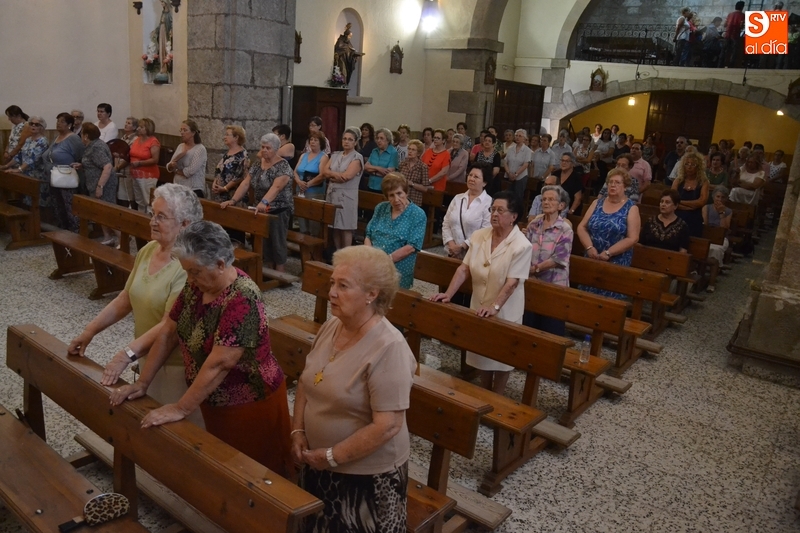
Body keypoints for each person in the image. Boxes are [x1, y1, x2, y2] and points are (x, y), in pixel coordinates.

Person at [109, 220, 293, 476]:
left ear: (220, 264)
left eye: (194, 271)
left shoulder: (242, 298)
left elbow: (220, 363)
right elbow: (168, 332)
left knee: (254, 473)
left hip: (249, 403)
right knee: (223, 466)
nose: (190, 278)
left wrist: (181, 407)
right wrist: (143, 382)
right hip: (214, 399)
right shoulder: (197, 285)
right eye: (187, 271)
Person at [292, 245, 415, 533]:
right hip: (318, 464)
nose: (332, 292)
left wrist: (332, 456)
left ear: (372, 294)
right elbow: (307, 381)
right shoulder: (332, 325)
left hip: (366, 480)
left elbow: (387, 425)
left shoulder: (389, 347)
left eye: (343, 286)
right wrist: (298, 430)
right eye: (333, 283)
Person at [69, 184, 205, 428]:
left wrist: (126, 354)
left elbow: (168, 326)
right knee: (146, 423)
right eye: (153, 214)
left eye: (161, 216)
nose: (153, 221)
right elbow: (126, 298)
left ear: (184, 224)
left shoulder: (188, 266)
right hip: (146, 354)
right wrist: (89, 331)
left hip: (176, 366)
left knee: (176, 434)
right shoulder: (149, 250)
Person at [430, 191, 531, 395]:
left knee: (502, 357)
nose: (494, 214)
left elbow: (512, 283)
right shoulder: (479, 235)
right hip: (479, 304)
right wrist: (448, 294)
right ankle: (485, 391)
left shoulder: (522, 245)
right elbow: (463, 269)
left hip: (505, 311)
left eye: (500, 210)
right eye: (492, 209)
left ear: (514, 216)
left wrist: (494, 307)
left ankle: (498, 395)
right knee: (482, 353)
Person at [222, 133, 294, 272]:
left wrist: (264, 202)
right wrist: (233, 200)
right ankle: (265, 269)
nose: (265, 150)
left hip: (279, 209)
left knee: (277, 242)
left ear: (277, 149)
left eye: (268, 148)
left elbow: (276, 187)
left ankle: (280, 272)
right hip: (259, 208)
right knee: (262, 241)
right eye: (263, 147)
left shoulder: (283, 167)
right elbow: (245, 183)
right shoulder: (257, 164)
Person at [576, 169, 640, 299]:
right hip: (592, 256)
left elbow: (633, 238)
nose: (612, 185)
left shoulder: (631, 208)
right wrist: (589, 247)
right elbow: (581, 227)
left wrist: (609, 252)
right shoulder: (597, 203)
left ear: (625, 186)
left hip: (616, 261)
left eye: (617, 182)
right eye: (610, 182)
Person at [524, 185, 573, 336]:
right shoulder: (534, 225)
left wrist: (534, 269)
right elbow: (524, 248)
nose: (546, 202)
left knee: (550, 329)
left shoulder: (565, 229)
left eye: (551, 199)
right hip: (532, 283)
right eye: (544, 199)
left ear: (561, 205)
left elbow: (558, 259)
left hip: (554, 285)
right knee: (529, 325)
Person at [365, 173, 426, 289]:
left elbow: (412, 246)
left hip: (398, 269)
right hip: (373, 266)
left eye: (399, 193)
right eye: (391, 195)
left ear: (406, 192)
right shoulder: (381, 208)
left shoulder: (417, 214)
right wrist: (370, 257)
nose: (396, 199)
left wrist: (385, 261)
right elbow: (368, 234)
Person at [322, 126, 364, 251]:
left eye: (350, 139)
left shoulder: (357, 157)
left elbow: (347, 176)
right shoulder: (335, 155)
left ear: (355, 142)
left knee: (345, 227)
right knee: (335, 226)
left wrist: (332, 175)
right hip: (333, 194)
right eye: (344, 139)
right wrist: (336, 176)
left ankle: (347, 254)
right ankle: (338, 252)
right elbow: (324, 171)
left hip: (347, 196)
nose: (346, 141)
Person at [76, 123, 118, 245]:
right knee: (101, 212)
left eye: (82, 134)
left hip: (103, 185)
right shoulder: (92, 145)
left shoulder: (96, 147)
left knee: (107, 213)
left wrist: (100, 186)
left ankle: (122, 238)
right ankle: (107, 237)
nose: (80, 136)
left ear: (86, 136)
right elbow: (94, 163)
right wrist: (83, 165)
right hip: (95, 184)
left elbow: (107, 166)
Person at [42, 112, 85, 232]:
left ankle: (75, 230)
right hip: (54, 177)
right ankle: (63, 228)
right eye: (57, 121)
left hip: (66, 177)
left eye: (62, 121)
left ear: (70, 124)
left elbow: (82, 156)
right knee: (58, 205)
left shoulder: (73, 138)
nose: (58, 124)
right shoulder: (57, 137)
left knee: (69, 205)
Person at [442, 163, 492, 260]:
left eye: (476, 177)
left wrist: (462, 246)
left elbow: (485, 231)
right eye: (470, 175)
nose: (471, 179)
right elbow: (446, 223)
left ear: (484, 182)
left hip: (473, 256)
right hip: (451, 253)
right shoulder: (458, 198)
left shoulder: (489, 203)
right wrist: (451, 244)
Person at [294, 131, 330, 234]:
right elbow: (295, 171)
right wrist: (298, 181)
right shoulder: (303, 155)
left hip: (314, 191)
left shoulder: (323, 157)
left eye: (316, 140)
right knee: (301, 217)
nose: (313, 142)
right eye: (311, 140)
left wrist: (308, 184)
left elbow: (322, 175)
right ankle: (303, 237)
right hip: (300, 189)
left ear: (321, 143)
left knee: (313, 219)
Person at [702, 186, 733, 292]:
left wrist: (721, 214)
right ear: (713, 197)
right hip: (707, 235)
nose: (719, 199)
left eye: (722, 197)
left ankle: (711, 282)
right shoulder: (706, 208)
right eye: (718, 196)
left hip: (721, 237)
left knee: (716, 250)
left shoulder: (728, 211)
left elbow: (724, 228)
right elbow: (705, 224)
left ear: (726, 199)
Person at [672, 151, 709, 237]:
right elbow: (673, 200)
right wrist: (691, 207)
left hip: (694, 218)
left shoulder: (703, 182)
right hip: (677, 216)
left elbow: (701, 202)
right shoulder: (678, 181)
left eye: (693, 164)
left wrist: (680, 202)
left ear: (698, 167)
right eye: (687, 164)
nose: (689, 167)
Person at [167, 120, 208, 197]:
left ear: (193, 133)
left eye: (185, 130)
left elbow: (190, 171)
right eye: (181, 130)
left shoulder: (200, 149)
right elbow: (169, 165)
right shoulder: (181, 146)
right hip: (177, 187)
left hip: (193, 189)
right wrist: (172, 165)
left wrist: (176, 170)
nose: (182, 133)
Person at [129, 117, 161, 214]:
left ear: (148, 128)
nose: (138, 128)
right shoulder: (137, 139)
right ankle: (141, 219)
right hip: (135, 174)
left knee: (148, 201)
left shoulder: (153, 141)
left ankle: (149, 221)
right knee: (139, 201)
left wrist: (139, 163)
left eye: (141, 127)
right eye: (138, 126)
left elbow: (155, 160)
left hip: (147, 175)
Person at [211, 125, 249, 204]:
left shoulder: (242, 155)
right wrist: (215, 183)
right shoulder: (227, 153)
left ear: (236, 137)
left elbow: (239, 176)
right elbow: (219, 170)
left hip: (233, 195)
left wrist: (225, 188)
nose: (224, 137)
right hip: (220, 193)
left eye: (227, 135)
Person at [114, 117, 139, 210]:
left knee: (129, 195)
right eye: (126, 122)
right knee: (120, 195)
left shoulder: (135, 139)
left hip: (127, 170)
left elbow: (128, 157)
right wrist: (116, 166)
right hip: (119, 169)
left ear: (134, 127)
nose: (126, 124)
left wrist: (117, 167)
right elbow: (117, 153)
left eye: (129, 123)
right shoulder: (123, 138)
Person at [364, 128, 398, 192]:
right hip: (371, 185)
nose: (378, 140)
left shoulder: (393, 152)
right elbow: (366, 167)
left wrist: (372, 171)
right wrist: (379, 168)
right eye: (377, 138)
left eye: (381, 138)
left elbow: (389, 173)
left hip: (384, 187)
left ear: (388, 140)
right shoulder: (374, 151)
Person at [398, 139, 430, 206]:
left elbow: (425, 188)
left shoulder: (423, 167)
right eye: (409, 149)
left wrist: (412, 184)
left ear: (418, 153)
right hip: (401, 198)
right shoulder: (403, 164)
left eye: (413, 150)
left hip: (415, 200)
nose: (410, 151)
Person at [552, 151, 584, 216]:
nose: (563, 163)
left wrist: (570, 211)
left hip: (570, 209)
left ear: (572, 164)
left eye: (566, 161)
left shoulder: (576, 177)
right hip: (554, 206)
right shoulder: (555, 174)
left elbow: (578, 199)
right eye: (562, 160)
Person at [504, 129, 533, 199]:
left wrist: (516, 174)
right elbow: (505, 161)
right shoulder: (511, 148)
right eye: (516, 135)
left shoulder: (527, 150)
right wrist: (509, 173)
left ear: (524, 138)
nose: (517, 137)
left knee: (518, 197)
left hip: (521, 177)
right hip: (509, 175)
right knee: (508, 196)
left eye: (520, 136)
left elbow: (526, 164)